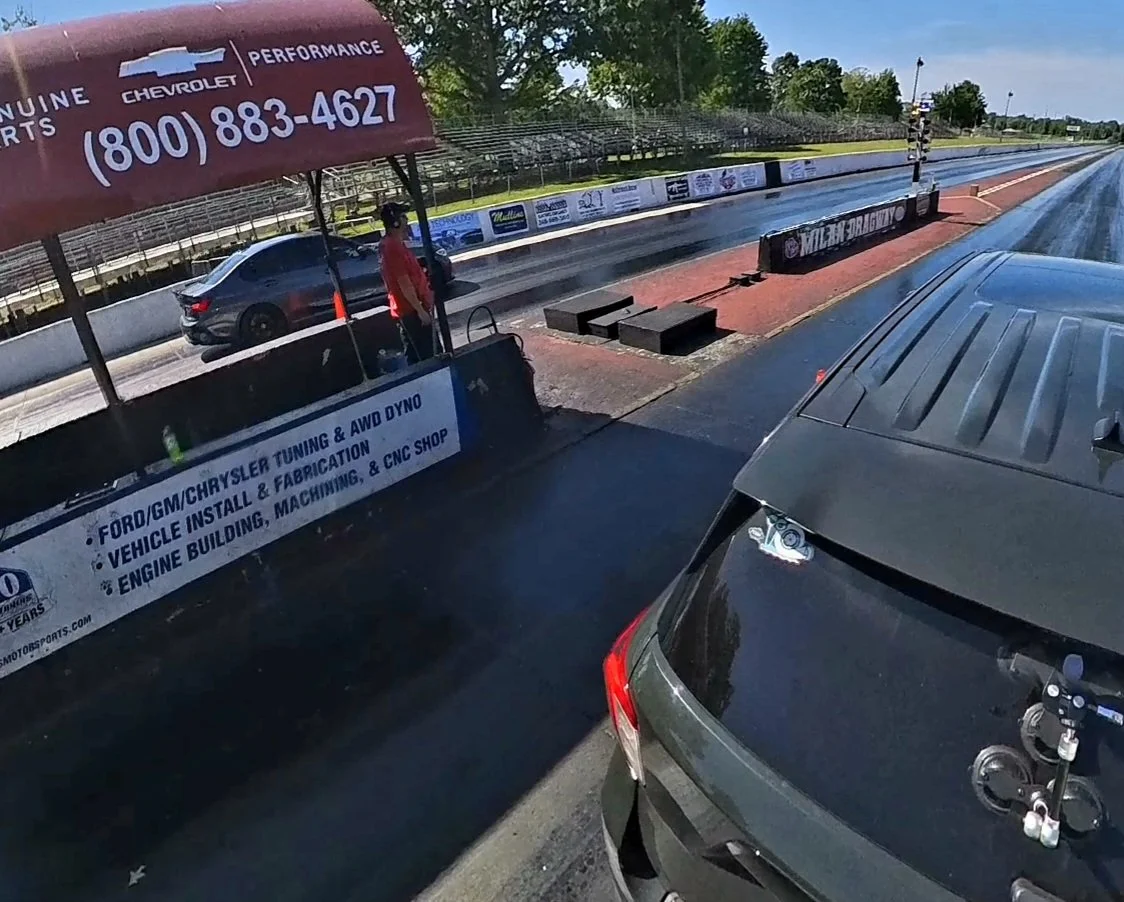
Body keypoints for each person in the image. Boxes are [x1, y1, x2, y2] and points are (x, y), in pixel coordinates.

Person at [378, 201, 436, 364]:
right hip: (411, 312)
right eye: (403, 216)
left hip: (414, 309)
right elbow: (404, 283)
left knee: (428, 353)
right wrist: (420, 310)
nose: (407, 219)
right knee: (424, 357)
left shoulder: (396, 244)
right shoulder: (391, 247)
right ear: (395, 222)